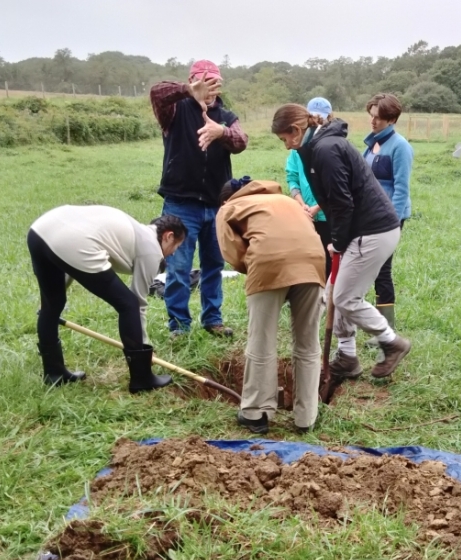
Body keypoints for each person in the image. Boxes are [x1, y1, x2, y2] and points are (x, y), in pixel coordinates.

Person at [262, 104, 411, 380]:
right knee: (333, 294)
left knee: (345, 297)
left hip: (372, 231)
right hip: (361, 230)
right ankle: (347, 356)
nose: (285, 147)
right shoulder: (317, 146)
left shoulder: (325, 150)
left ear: (296, 130)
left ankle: (391, 342)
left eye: (284, 139)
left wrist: (338, 243)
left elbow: (342, 203)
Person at [28, 206, 187, 393]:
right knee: (128, 304)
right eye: (176, 247)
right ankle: (142, 378)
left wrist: (52, 296)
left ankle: (54, 373)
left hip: (40, 231)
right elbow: (138, 303)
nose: (173, 253)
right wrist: (144, 350)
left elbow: (69, 256)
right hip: (71, 240)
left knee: (52, 305)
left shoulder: (134, 233)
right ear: (168, 236)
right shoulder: (151, 249)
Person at [216, 179, 326, 434]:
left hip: (268, 263)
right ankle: (306, 417)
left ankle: (256, 413)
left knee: (262, 339)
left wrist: (260, 273)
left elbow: (233, 253)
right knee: (308, 343)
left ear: (225, 199)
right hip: (313, 262)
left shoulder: (228, 208)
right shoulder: (287, 200)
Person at [149, 59, 248, 338]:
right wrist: (186, 90)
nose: (212, 89)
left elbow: (241, 141)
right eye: (206, 83)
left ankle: (212, 320)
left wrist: (221, 132)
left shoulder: (226, 116)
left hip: (217, 206)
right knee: (178, 268)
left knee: (214, 265)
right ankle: (179, 327)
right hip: (181, 203)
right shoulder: (175, 110)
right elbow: (157, 92)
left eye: (216, 83)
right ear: (194, 81)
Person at [362, 93, 413, 340]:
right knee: (370, 268)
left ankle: (386, 329)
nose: (373, 122)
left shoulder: (401, 146)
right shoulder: (371, 144)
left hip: (389, 218)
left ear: (392, 119)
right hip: (370, 215)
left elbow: (402, 187)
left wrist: (391, 220)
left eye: (379, 118)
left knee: (382, 269)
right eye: (371, 116)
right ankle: (373, 323)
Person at [286, 97, 334, 277]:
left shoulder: (329, 147)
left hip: (327, 215)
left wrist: (317, 207)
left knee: (329, 259)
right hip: (304, 214)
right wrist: (301, 204)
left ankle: (328, 300)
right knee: (307, 259)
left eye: (323, 118)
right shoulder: (295, 149)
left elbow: (334, 187)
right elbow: (292, 177)